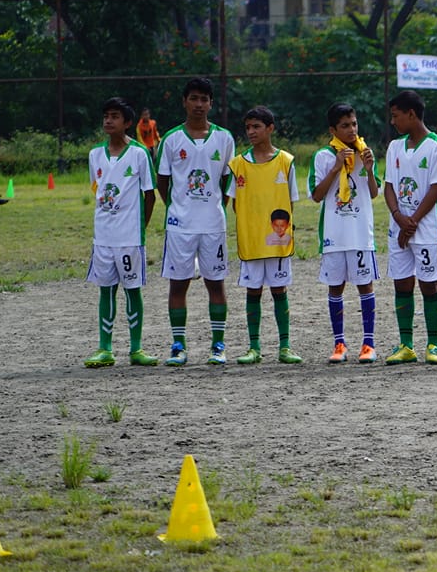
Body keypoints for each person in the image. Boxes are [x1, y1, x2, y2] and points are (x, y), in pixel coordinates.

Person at [155, 76, 235, 366]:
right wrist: (179, 208)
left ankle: (218, 345)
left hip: (214, 224)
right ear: (184, 102)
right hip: (180, 226)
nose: (199, 104)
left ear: (211, 103)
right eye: (194, 98)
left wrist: (215, 208)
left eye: (204, 99)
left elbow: (228, 181)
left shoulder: (224, 138)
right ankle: (178, 345)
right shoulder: (171, 139)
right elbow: (162, 182)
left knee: (216, 283)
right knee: (178, 285)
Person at [83, 96, 157, 368]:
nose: (108, 121)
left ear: (127, 123)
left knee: (132, 289)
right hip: (103, 236)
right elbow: (97, 189)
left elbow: (150, 195)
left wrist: (141, 228)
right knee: (106, 290)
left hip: (130, 238)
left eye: (114, 116)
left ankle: (136, 348)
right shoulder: (95, 154)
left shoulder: (139, 154)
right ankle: (105, 348)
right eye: (105, 116)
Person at [383, 90, 437, 365]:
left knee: (428, 283)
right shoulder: (394, 147)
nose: (393, 121)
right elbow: (389, 186)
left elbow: (436, 188)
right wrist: (399, 215)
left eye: (395, 115)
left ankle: (433, 344)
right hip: (399, 226)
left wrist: (412, 222)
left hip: (427, 228)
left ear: (411, 114)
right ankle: (406, 344)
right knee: (402, 283)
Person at [307, 101, 379, 364]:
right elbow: (316, 196)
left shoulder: (365, 153)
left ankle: (368, 344)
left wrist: (369, 170)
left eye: (354, 124)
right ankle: (339, 344)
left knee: (365, 285)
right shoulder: (323, 157)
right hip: (334, 235)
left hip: (360, 233)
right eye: (345, 126)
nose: (352, 130)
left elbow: (373, 192)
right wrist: (337, 167)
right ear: (333, 129)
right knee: (335, 287)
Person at [228, 105, 301, 365]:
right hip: (251, 241)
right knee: (253, 291)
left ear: (270, 128)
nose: (251, 132)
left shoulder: (286, 161)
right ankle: (254, 347)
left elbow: (291, 202)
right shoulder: (238, 164)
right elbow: (235, 203)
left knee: (279, 290)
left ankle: (285, 346)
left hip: (278, 241)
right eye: (248, 127)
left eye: (256, 126)